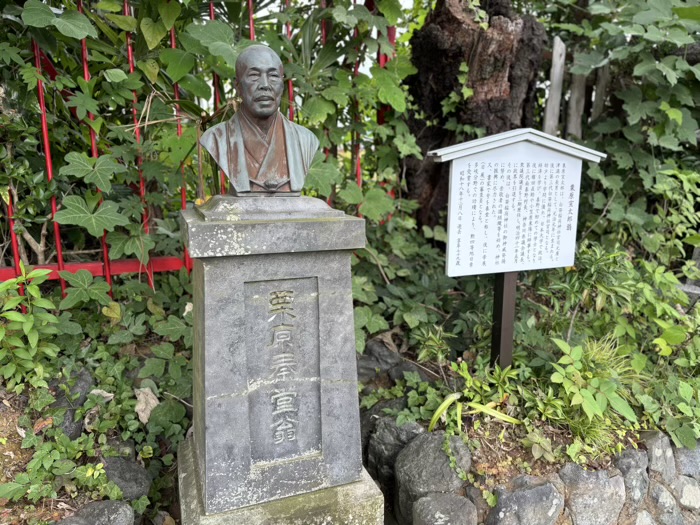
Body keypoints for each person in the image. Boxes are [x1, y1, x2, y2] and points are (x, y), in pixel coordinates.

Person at [200, 45, 319, 195]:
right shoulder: (217, 138)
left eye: (273, 76)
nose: (264, 85)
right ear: (238, 85)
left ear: (282, 85)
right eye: (254, 76)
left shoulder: (305, 139)